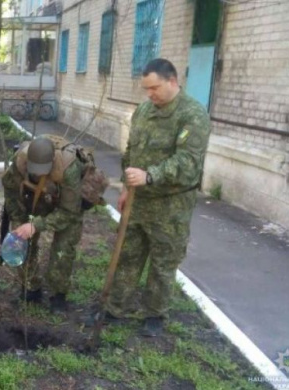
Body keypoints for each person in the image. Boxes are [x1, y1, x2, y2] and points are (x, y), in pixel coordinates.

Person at [103, 58, 211, 337]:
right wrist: (127, 187)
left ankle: (154, 315)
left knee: (163, 263)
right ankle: (115, 308)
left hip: (170, 205)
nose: (149, 94)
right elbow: (131, 151)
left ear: (172, 81)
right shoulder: (144, 111)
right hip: (139, 201)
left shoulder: (193, 115)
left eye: (154, 88)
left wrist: (150, 176)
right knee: (128, 255)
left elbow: (188, 162)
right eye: (146, 89)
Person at [2, 134, 106, 313]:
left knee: (62, 250)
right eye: (34, 169)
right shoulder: (19, 163)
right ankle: (31, 287)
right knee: (19, 240)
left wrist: (36, 226)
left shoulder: (68, 169)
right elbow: (11, 192)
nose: (38, 173)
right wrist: (19, 220)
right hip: (36, 200)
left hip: (66, 206)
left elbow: (68, 213)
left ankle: (58, 295)